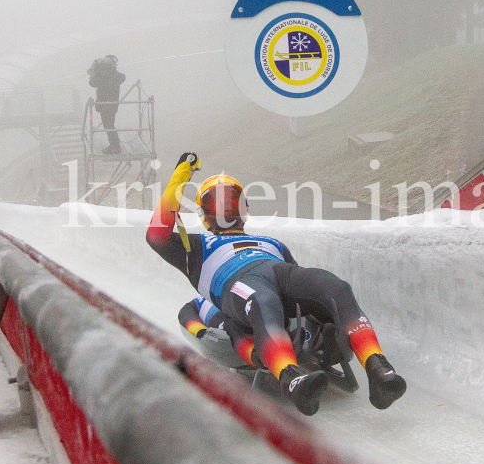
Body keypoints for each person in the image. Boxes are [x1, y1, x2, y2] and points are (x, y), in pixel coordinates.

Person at [146, 153, 406, 415]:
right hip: (238, 282)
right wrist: (181, 177)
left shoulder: (272, 243)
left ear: (244, 208)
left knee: (335, 287)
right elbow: (156, 235)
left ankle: (377, 366)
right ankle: (291, 378)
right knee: (262, 302)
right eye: (217, 204)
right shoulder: (195, 248)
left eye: (232, 201)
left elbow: (300, 288)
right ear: (204, 215)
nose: (226, 209)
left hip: (280, 271)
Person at [88, 54, 125, 154]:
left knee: (109, 125)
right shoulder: (103, 76)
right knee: (108, 125)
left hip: (110, 105)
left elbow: (121, 77)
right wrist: (101, 74)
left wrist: (107, 75)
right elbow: (92, 83)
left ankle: (115, 147)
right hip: (104, 105)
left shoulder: (114, 75)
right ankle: (114, 146)